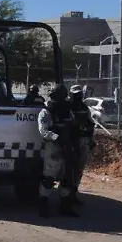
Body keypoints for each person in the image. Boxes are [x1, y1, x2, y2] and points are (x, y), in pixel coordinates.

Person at [36, 84, 79, 218]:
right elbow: (43, 131)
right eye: (60, 96)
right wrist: (56, 138)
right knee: (49, 178)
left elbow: (73, 126)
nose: (62, 99)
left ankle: (65, 207)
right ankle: (43, 207)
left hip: (67, 147)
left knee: (67, 179)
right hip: (53, 148)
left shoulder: (68, 111)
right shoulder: (46, 111)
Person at [67, 85, 97, 205]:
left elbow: (90, 123)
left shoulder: (84, 107)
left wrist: (91, 139)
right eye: (75, 95)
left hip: (83, 140)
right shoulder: (66, 107)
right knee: (68, 169)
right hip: (69, 141)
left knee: (79, 169)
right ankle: (66, 197)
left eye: (79, 94)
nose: (77, 97)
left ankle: (73, 194)